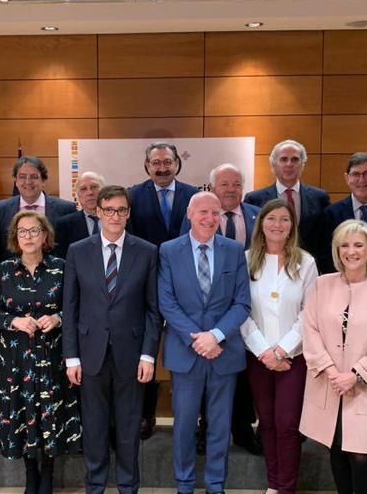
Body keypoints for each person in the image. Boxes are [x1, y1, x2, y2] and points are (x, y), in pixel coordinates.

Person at [62, 185, 162, 494]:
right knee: (93, 427)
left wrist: (148, 355)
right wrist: (72, 357)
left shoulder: (147, 251)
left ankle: (128, 487)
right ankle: (95, 487)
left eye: (121, 209)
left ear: (129, 213)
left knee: (129, 428)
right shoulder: (78, 251)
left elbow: (152, 309)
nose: (115, 215)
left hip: (131, 356)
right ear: (98, 212)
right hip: (89, 355)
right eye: (109, 210)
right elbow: (70, 306)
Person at [158, 191, 251, 494]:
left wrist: (216, 336)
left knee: (220, 426)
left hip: (223, 352)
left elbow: (242, 303)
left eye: (215, 213)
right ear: (189, 213)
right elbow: (167, 302)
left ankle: (215, 485)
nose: (209, 219)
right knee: (184, 425)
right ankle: (184, 485)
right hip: (187, 352)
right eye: (203, 212)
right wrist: (197, 338)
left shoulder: (234, 250)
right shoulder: (168, 250)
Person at [299, 219, 367, 494]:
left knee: (362, 454)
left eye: (358, 245)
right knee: (337, 447)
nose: (351, 251)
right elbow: (311, 330)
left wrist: (354, 375)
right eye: (344, 245)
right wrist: (333, 373)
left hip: (364, 385)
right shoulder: (321, 284)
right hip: (329, 384)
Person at [0, 211, 81, 494]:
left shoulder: (62, 268)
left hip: (52, 357)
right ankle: (30, 474)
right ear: (15, 237)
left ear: (45, 236)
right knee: (22, 413)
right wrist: (13, 321)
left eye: (34, 231)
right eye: (22, 231)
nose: (28, 236)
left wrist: (58, 318)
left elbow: (79, 307)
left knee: (50, 415)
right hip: (15, 360)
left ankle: (48, 476)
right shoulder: (1, 271)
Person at [181, 163, 262, 455]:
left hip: (251, 309)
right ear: (213, 188)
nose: (231, 189)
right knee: (207, 376)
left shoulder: (256, 215)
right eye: (224, 184)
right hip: (208, 318)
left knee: (241, 375)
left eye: (237, 184)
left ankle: (242, 428)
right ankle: (206, 430)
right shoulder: (198, 218)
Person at [241, 199, 318, 494]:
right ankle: (273, 485)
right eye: (271, 218)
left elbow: (309, 313)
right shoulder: (247, 260)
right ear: (261, 224)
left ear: (292, 227)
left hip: (293, 359)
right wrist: (264, 351)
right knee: (268, 422)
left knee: (287, 425)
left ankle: (285, 488)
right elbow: (240, 310)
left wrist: (282, 350)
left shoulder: (306, 262)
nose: (277, 224)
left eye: (284, 219)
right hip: (257, 357)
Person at [128, 141, 199, 439]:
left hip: (186, 286)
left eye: (167, 162)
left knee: (188, 346)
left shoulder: (194, 195)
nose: (162, 167)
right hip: (144, 283)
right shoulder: (132, 195)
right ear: (146, 166)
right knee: (145, 348)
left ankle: (195, 418)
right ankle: (146, 415)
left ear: (177, 164)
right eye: (155, 162)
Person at [244, 139, 330, 260]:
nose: (289, 164)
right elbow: (253, 237)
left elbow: (325, 239)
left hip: (308, 267)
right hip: (266, 265)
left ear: (302, 165)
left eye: (295, 159)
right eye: (283, 159)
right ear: (273, 165)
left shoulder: (320, 198)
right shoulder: (254, 199)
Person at [0, 156, 77, 256]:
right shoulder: (0, 209)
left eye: (34, 176)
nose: (28, 181)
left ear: (43, 181)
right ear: (16, 181)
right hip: (11, 270)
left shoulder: (66, 209)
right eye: (22, 176)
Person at [53, 171, 106, 258]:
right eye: (83, 189)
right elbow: (62, 259)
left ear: (104, 191)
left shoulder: (118, 219)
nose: (90, 193)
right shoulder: (65, 224)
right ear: (78, 195)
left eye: (94, 187)